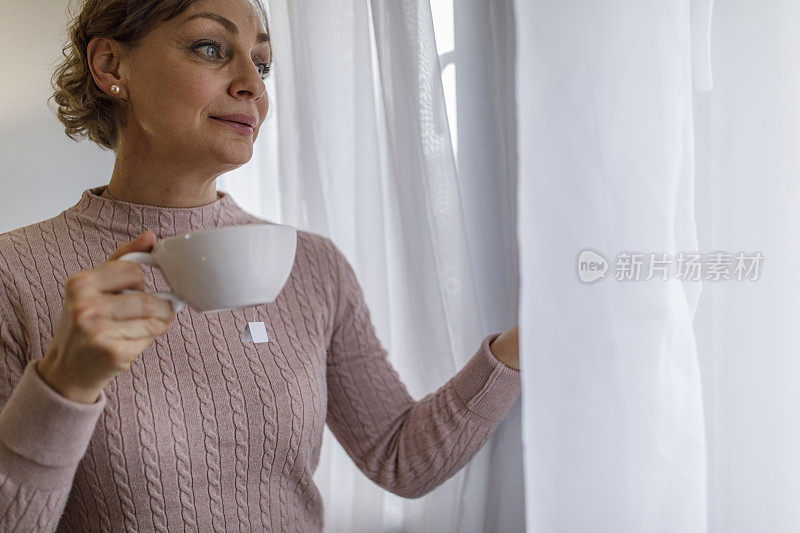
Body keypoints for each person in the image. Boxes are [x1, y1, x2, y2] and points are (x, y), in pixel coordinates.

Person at [0, 0, 521, 530]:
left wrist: (521, 346)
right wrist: (63, 384)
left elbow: (399, 457)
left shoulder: (312, 265)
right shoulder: (13, 273)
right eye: (210, 48)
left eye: (263, 63)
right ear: (111, 65)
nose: (253, 84)